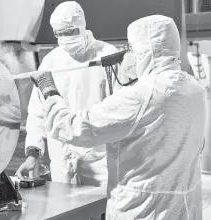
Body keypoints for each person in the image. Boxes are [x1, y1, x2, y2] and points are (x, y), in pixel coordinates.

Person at [32, 15, 207, 220]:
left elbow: (76, 127)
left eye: (131, 48)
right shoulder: (194, 88)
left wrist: (49, 90)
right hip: (183, 208)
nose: (127, 54)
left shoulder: (142, 95)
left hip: (145, 210)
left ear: (147, 49)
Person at [16, 1, 128, 187]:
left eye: (69, 32)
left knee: (100, 210)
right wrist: (33, 154)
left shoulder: (107, 57)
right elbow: (38, 112)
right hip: (61, 159)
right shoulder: (51, 61)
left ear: (82, 26)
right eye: (58, 33)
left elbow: (120, 111)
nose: (64, 38)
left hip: (99, 161)